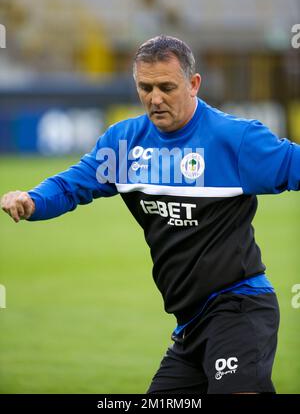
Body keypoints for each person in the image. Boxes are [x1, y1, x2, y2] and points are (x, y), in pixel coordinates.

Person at [1, 35, 299, 394]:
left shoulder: (234, 140)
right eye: (145, 87)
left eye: (166, 87)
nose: (154, 98)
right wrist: (33, 200)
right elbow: (71, 185)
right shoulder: (124, 144)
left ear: (193, 84)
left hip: (239, 309)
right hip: (190, 324)